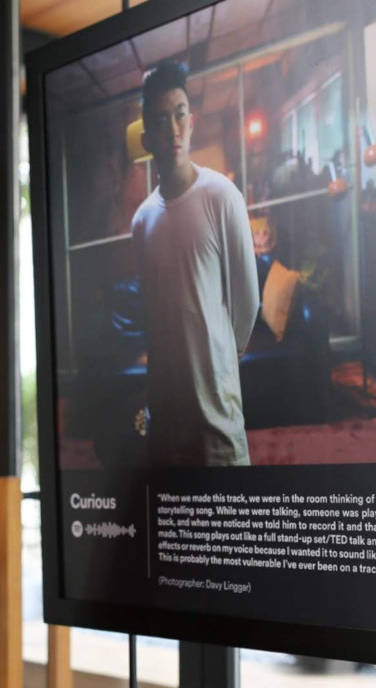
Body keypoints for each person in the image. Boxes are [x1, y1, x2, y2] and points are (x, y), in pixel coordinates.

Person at [131, 60, 260, 466]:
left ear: (192, 120)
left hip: (217, 423)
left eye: (180, 114)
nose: (172, 128)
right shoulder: (142, 220)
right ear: (146, 135)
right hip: (165, 424)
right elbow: (153, 316)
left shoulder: (222, 196)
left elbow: (248, 303)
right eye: (161, 119)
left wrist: (220, 363)